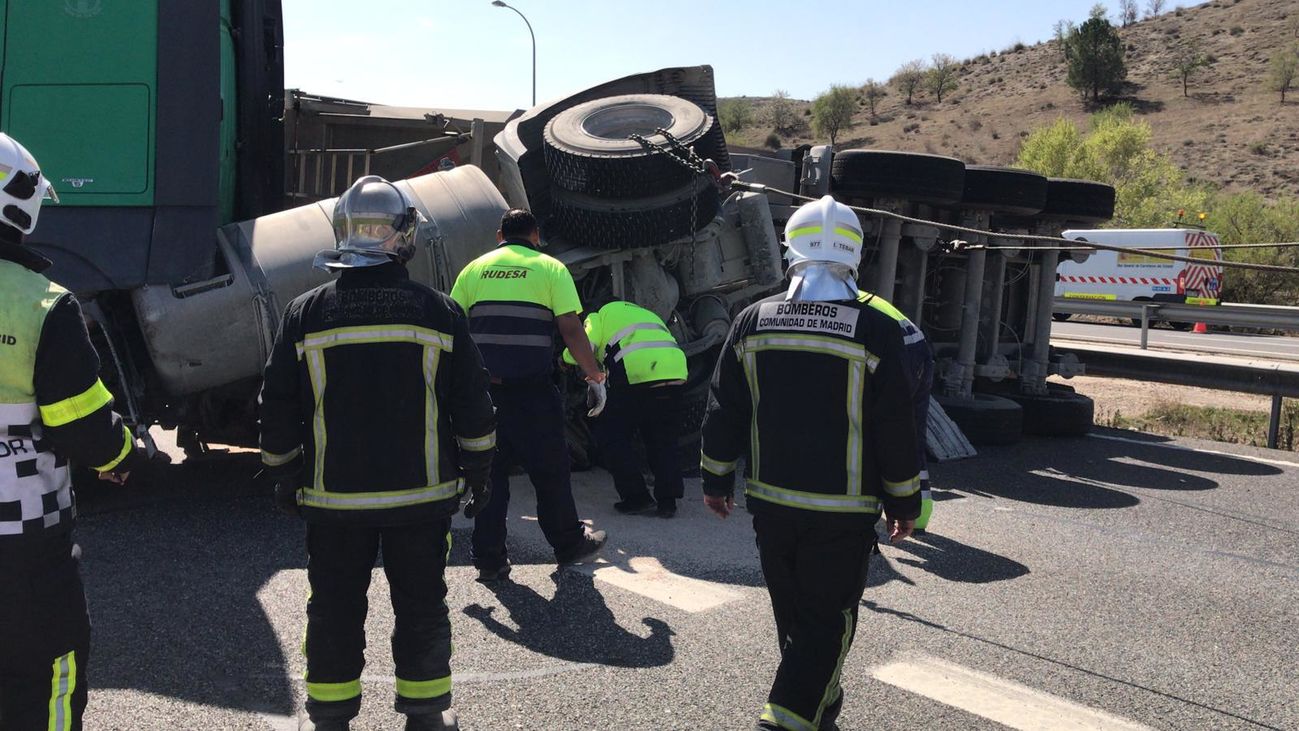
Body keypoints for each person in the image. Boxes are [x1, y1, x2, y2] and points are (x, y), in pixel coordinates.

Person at [259, 175, 496, 731]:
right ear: (404, 235)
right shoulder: (439, 312)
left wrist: (284, 476)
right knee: (421, 606)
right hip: (422, 499)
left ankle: (332, 717)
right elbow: (473, 407)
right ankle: (425, 716)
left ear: (342, 234)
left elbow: (275, 406)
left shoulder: (305, 313)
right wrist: (479, 473)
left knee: (334, 609)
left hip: (334, 501)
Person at [699, 195, 921, 731]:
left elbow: (724, 407)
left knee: (796, 618)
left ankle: (818, 711)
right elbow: (895, 425)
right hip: (841, 509)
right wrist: (905, 500)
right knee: (827, 620)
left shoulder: (752, 319)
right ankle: (783, 721)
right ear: (855, 254)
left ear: (790, 250)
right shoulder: (874, 329)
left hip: (771, 503)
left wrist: (715, 477)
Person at [0, 132, 140, 731]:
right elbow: (83, 430)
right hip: (23, 549)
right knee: (44, 683)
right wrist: (126, 453)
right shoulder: (41, 306)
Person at [450, 209, 608, 582]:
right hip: (533, 393)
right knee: (550, 471)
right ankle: (569, 545)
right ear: (536, 234)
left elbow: (454, 327)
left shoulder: (474, 270)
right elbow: (570, 328)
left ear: (499, 235)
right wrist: (594, 376)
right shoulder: (551, 268)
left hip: (484, 394)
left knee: (489, 475)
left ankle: (489, 559)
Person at [562, 300, 688, 518]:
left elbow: (583, 346)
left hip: (637, 375)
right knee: (663, 438)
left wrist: (564, 359)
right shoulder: (646, 313)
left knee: (611, 436)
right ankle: (668, 502)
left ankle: (636, 496)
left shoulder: (598, 316)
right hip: (676, 372)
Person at [856, 291, 935, 531]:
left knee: (878, 429)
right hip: (917, 346)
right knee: (910, 432)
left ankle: (881, 508)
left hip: (897, 350)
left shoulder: (831, 298)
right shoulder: (859, 295)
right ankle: (919, 512)